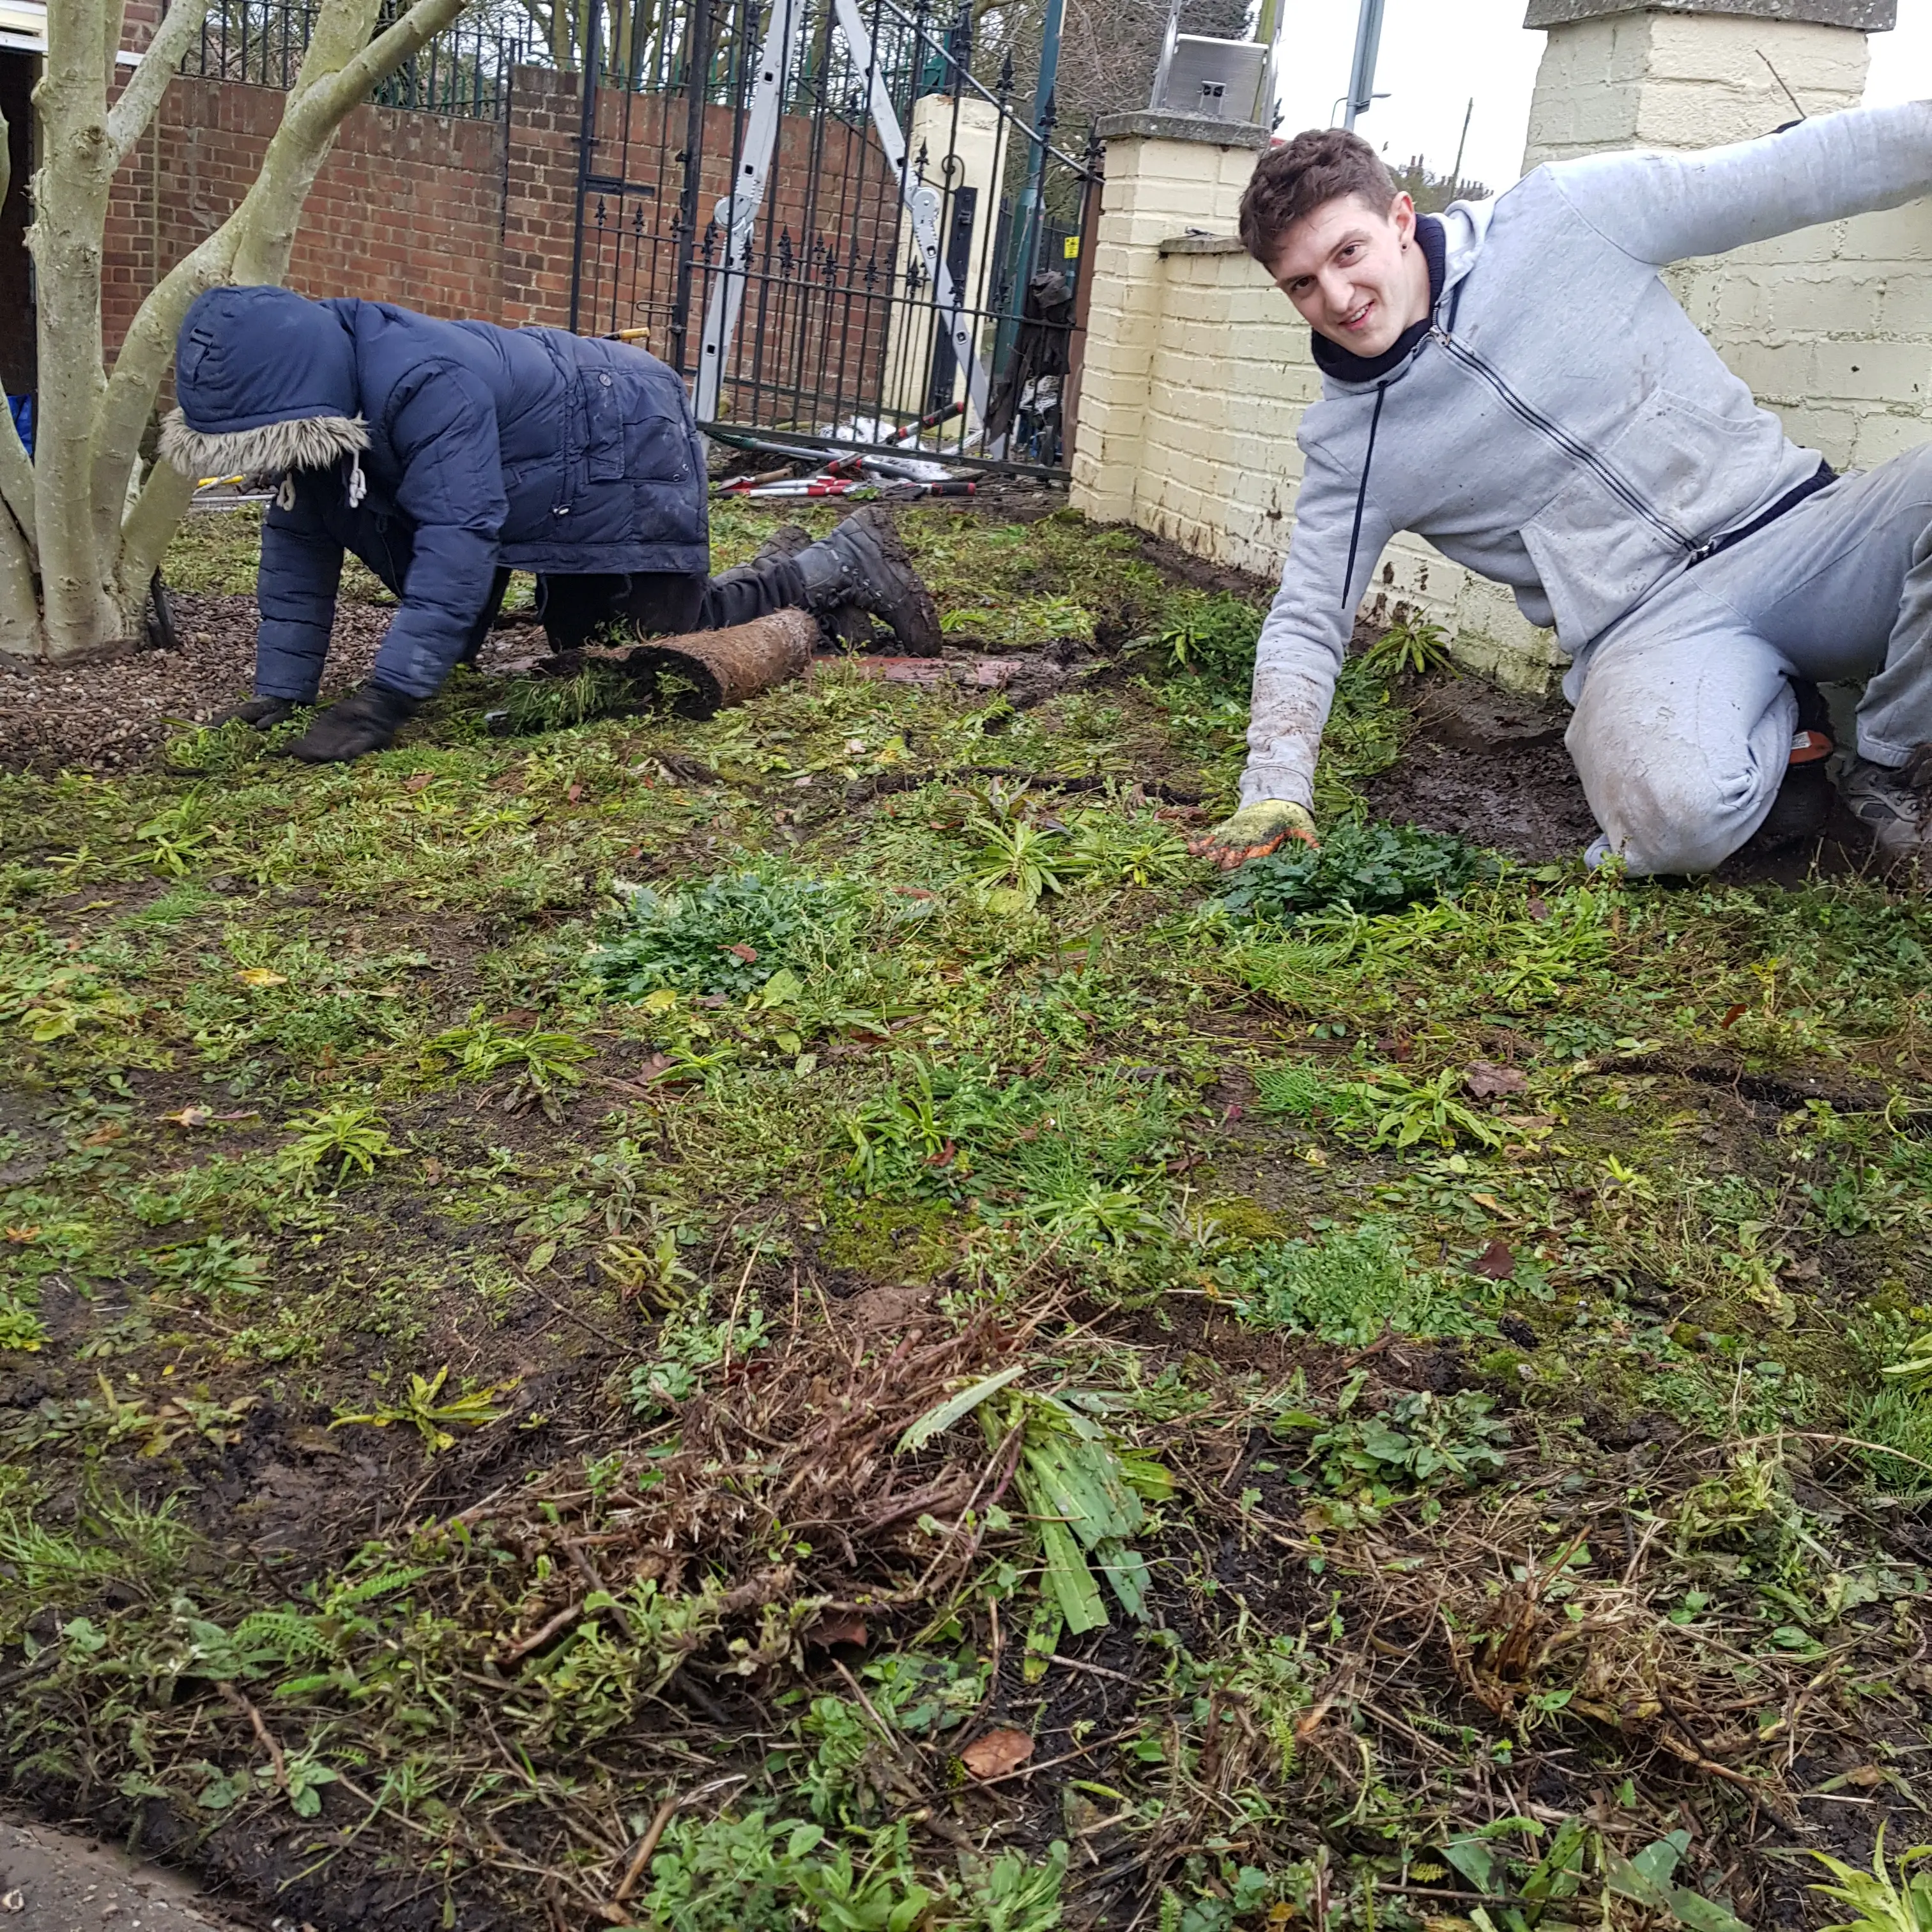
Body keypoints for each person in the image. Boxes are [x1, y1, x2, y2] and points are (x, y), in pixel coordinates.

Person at [1186, 114, 1932, 877]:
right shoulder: (1351, 448)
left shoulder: (1565, 217)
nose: (1340, 299)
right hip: (1651, 631)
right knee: (1671, 828)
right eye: (1302, 285)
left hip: (1802, 535)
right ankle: (1788, 726)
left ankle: (1890, 768)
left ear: (1401, 219)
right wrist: (1275, 789)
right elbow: (1308, 617)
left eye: (1349, 253)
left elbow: (1791, 172)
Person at [159, 286, 940, 762]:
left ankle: (835, 560)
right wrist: (283, 693)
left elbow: (460, 538)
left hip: (622, 427)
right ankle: (801, 576)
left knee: (654, 646)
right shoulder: (323, 415)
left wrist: (387, 700)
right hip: (547, 466)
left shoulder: (424, 384)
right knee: (580, 648)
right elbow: (300, 549)